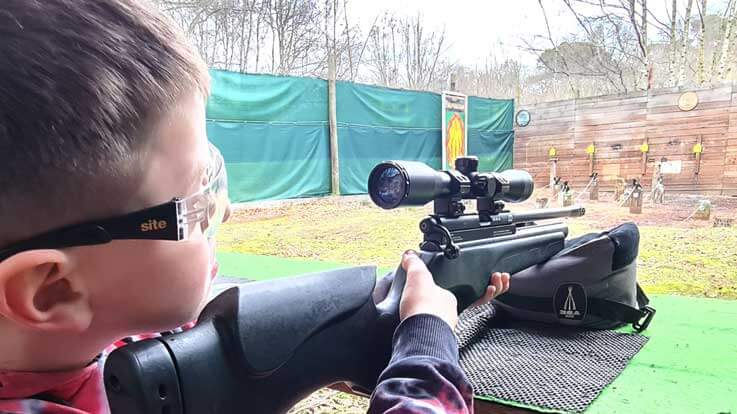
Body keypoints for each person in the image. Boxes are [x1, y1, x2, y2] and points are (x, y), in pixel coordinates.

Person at [0, 1, 509, 413]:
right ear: (53, 290)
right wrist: (427, 343)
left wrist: (396, 306)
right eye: (196, 205)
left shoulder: (85, 339)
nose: (225, 211)